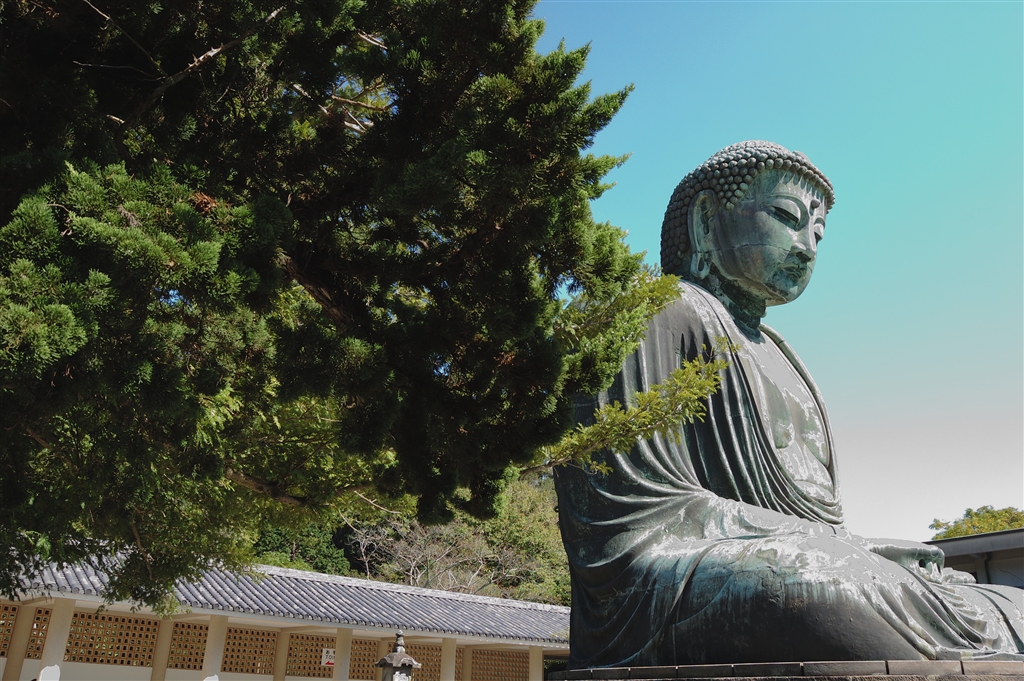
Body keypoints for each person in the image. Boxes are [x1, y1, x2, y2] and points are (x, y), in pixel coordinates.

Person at [554, 141, 1024, 669]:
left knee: (1009, 603)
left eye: (818, 233)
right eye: (786, 217)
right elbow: (629, 520)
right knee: (821, 587)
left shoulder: (785, 356)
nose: (806, 247)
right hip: (671, 578)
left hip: (809, 553)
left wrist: (848, 546)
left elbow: (822, 524)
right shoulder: (654, 310)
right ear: (707, 221)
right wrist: (833, 546)